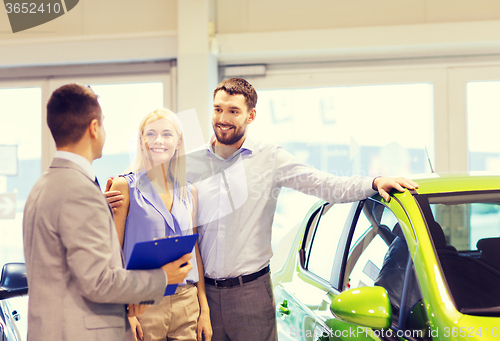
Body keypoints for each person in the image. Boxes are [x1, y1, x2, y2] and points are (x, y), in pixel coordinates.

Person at [107, 78, 418, 341]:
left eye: (233, 111)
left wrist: (373, 181)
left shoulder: (271, 158)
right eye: (217, 110)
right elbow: (150, 182)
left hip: (251, 294)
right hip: (201, 297)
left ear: (251, 116)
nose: (223, 118)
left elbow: (325, 185)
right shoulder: (189, 163)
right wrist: (111, 197)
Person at [23, 84, 193, 341]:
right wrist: (162, 278)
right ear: (94, 128)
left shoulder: (45, 185)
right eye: (103, 124)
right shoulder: (79, 192)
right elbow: (98, 281)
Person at [107, 108, 212, 341]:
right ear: (142, 141)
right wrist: (126, 311)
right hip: (143, 304)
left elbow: (195, 252)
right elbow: (113, 254)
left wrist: (204, 309)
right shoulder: (123, 187)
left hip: (187, 302)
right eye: (151, 134)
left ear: (178, 141)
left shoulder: (189, 191)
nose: (158, 140)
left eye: (166, 134)